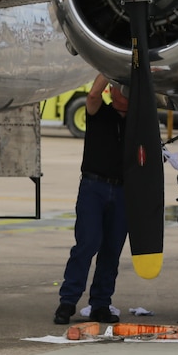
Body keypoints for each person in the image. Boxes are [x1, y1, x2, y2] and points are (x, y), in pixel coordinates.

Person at [54, 73, 129, 325]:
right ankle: (67, 301)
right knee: (87, 244)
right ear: (112, 91)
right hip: (94, 187)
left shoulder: (138, 122)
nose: (126, 94)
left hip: (122, 191)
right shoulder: (99, 113)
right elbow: (93, 95)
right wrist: (109, 69)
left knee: (111, 250)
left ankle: (101, 303)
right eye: (121, 89)